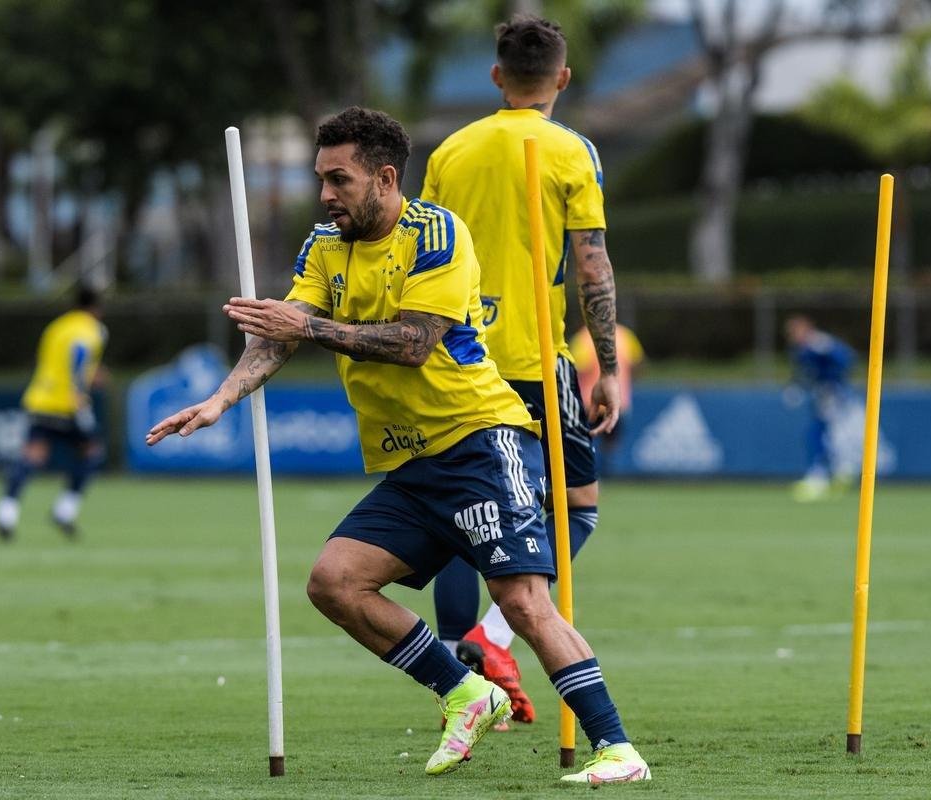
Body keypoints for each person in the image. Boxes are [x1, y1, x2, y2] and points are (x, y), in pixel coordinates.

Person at [147, 107, 649, 784]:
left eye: (338, 179)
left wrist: (312, 325)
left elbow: (412, 344)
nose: (324, 194)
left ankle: (617, 748)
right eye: (320, 178)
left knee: (522, 602)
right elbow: (281, 336)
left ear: (385, 178)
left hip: (477, 438)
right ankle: (466, 692)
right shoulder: (322, 246)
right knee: (334, 583)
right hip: (410, 462)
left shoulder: (436, 233)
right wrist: (221, 398)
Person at [420, 14, 624, 729]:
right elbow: (591, 264)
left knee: (457, 519)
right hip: (537, 360)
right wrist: (608, 365)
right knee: (578, 509)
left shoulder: (450, 150)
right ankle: (492, 639)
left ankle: (461, 684)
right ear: (562, 78)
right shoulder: (572, 150)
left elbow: (428, 255)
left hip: (459, 358)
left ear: (497, 76)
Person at [0, 285, 108, 541]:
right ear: (96, 309)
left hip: (40, 399)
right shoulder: (92, 329)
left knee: (32, 456)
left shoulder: (57, 327)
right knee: (92, 452)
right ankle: (65, 511)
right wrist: (81, 389)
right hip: (67, 404)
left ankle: (6, 512)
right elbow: (79, 355)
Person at [783, 314, 856, 502]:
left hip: (833, 395)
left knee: (827, 433)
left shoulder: (820, 343)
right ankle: (830, 473)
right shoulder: (802, 350)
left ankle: (833, 473)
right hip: (821, 395)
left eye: (796, 330)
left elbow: (845, 360)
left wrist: (833, 383)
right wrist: (796, 387)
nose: (793, 335)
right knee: (819, 433)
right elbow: (804, 373)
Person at [571, 323, 644, 469]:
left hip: (590, 402)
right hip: (618, 401)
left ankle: (595, 479)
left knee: (584, 445)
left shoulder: (583, 337)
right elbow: (639, 364)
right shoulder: (624, 335)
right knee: (610, 447)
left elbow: (576, 368)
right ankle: (608, 478)